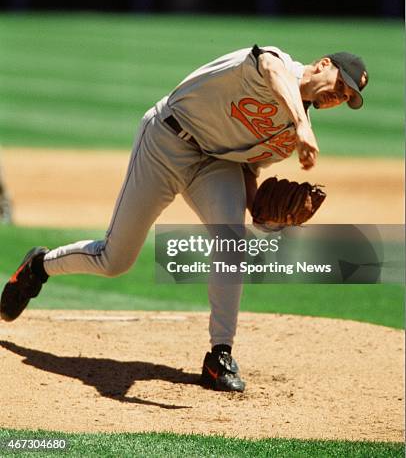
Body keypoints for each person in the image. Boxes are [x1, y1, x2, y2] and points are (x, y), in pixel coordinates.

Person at [0, 45, 368, 392]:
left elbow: (249, 168)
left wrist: (258, 210)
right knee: (114, 260)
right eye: (341, 85)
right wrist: (303, 124)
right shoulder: (275, 63)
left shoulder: (287, 139)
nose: (339, 96)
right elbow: (271, 69)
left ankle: (219, 354)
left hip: (215, 165)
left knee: (232, 243)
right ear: (322, 64)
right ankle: (39, 267)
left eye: (347, 98)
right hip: (165, 141)